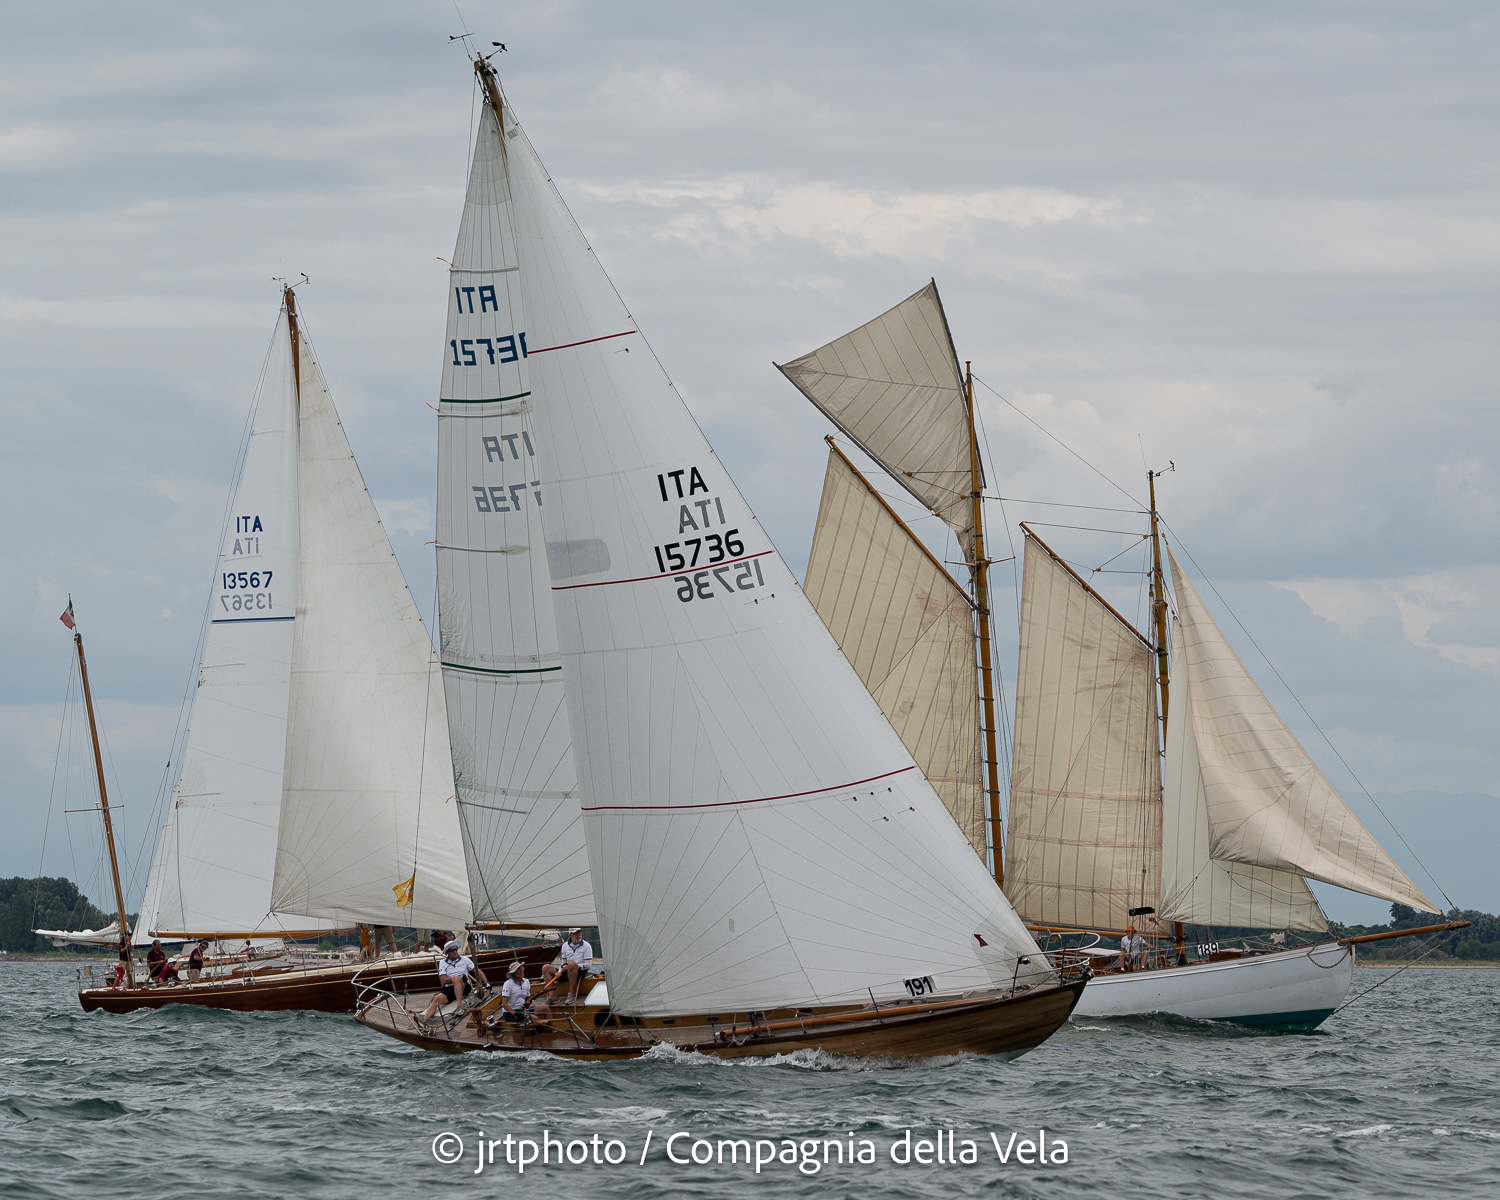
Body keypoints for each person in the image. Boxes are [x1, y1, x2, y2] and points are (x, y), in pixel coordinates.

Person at [421, 941, 488, 1025]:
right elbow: (444, 980)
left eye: (456, 949)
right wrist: (454, 979)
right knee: (437, 999)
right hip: (450, 988)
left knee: (456, 979)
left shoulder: (465, 959)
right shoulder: (443, 963)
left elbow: (477, 971)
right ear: (447, 953)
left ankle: (459, 1007)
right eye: (452, 950)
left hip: (464, 986)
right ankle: (424, 1020)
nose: (455, 952)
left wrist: (486, 982)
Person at [558, 927, 593, 1002]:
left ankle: (571, 993)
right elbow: (563, 963)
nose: (578, 935)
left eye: (579, 933)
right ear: (570, 935)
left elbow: (588, 965)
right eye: (575, 933)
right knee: (546, 967)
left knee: (571, 964)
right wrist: (559, 971)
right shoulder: (564, 946)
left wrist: (574, 966)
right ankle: (552, 996)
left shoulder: (587, 946)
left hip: (581, 971)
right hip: (568, 971)